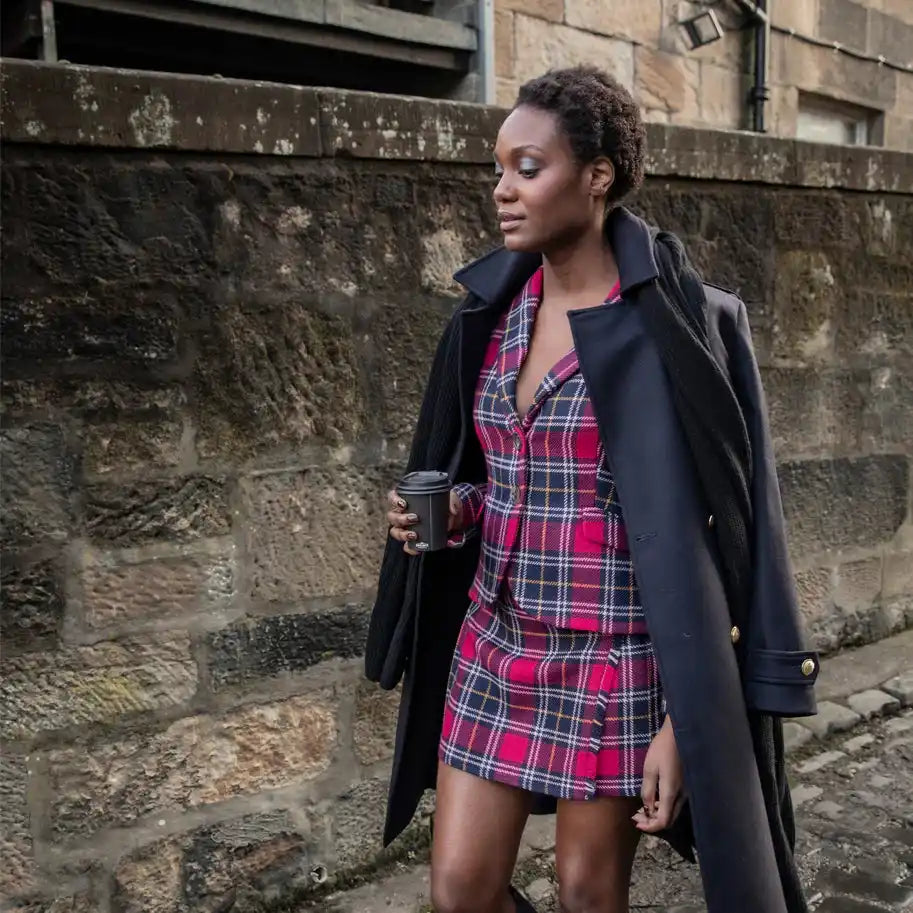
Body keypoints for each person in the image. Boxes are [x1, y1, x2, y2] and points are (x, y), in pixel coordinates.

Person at [366, 66, 818, 913]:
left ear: (597, 175)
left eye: (526, 168)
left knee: (585, 892)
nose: (500, 190)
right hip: (493, 646)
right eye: (497, 168)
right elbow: (502, 472)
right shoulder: (489, 313)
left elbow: (737, 529)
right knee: (459, 888)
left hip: (615, 658)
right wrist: (451, 511)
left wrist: (688, 717)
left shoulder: (685, 324)